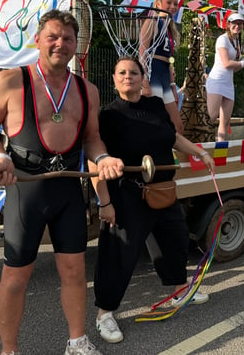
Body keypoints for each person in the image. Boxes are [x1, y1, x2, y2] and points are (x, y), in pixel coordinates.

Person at [0, 10, 125, 355]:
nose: (61, 44)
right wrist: (0, 156)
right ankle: (9, 350)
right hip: (26, 187)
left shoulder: (87, 90)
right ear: (38, 39)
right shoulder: (10, 81)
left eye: (68, 39)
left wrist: (104, 159)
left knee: (74, 270)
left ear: (75, 46)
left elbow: (92, 139)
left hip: (68, 190)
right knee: (16, 276)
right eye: (53, 36)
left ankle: (77, 342)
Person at [91, 56, 216, 344]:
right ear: (113, 79)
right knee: (119, 254)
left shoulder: (156, 106)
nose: (128, 77)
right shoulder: (109, 116)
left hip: (163, 191)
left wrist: (200, 153)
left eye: (133, 72)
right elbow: (96, 160)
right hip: (129, 195)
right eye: (121, 72)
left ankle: (178, 291)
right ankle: (105, 315)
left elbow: (172, 138)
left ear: (142, 77)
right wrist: (105, 202)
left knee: (175, 239)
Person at [139, 0, 184, 134]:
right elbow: (142, 53)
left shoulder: (170, 27)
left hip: (165, 76)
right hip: (153, 76)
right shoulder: (152, 21)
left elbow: (169, 61)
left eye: (175, 4)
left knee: (177, 127)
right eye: (169, 2)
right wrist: (144, 81)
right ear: (158, 3)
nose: (173, 6)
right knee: (155, 124)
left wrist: (173, 86)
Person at [205, 13, 244, 141]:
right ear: (229, 24)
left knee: (225, 122)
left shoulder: (237, 42)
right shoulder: (222, 39)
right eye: (234, 23)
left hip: (228, 84)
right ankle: (200, 145)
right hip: (216, 81)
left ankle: (221, 150)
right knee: (212, 116)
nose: (237, 26)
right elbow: (226, 63)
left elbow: (234, 69)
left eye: (240, 24)